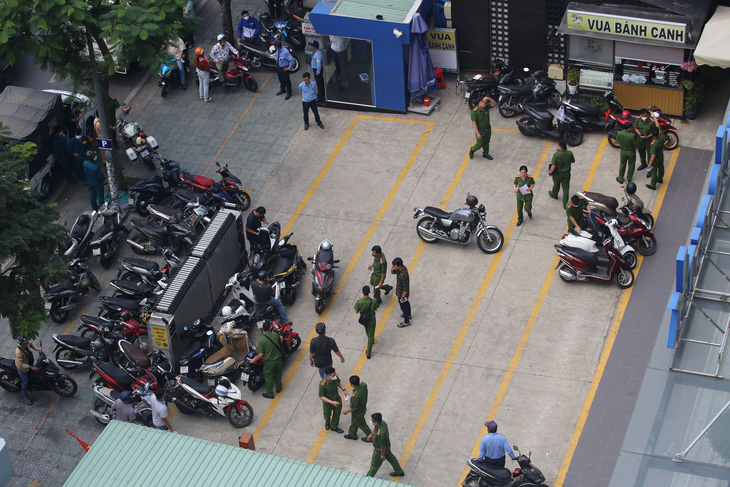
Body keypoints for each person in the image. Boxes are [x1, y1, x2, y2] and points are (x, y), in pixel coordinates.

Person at [250, 320, 284, 399]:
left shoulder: (262, 341)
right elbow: (280, 341)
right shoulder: (275, 335)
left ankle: (270, 394)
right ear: (270, 327)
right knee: (278, 374)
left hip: (269, 362)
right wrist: (281, 338)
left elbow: (261, 354)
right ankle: (279, 388)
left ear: (263, 329)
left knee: (269, 378)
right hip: (278, 360)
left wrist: (253, 360)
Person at [366, 413, 405, 477]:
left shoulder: (381, 435)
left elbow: (383, 447)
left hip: (379, 451)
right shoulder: (382, 423)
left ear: (376, 422)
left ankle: (368, 477)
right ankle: (399, 471)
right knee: (392, 459)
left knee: (374, 465)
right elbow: (376, 429)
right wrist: (371, 434)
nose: (371, 420)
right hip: (387, 446)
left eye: (372, 420)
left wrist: (382, 456)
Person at [547, 140, 575, 208]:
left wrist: (550, 172)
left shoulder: (556, 155)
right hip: (567, 174)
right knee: (566, 188)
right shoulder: (570, 153)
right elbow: (573, 161)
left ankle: (554, 194)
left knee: (556, 185)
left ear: (560, 147)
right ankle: (565, 203)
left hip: (558, 174)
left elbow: (553, 166)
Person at [343, 375, 372, 441]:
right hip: (362, 408)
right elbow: (362, 383)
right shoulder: (363, 385)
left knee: (363, 425)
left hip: (358, 413)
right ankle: (352, 434)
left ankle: (371, 437)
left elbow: (354, 408)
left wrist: (346, 411)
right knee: (354, 422)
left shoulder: (356, 396)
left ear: (352, 385)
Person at [14, 336, 41, 405]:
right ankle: (25, 397)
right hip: (23, 368)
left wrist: (37, 350)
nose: (26, 345)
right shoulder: (18, 352)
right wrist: (30, 367)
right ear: (20, 344)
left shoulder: (26, 343)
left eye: (26, 343)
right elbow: (20, 364)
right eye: (24, 344)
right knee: (25, 383)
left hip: (28, 362)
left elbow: (31, 344)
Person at [319, 366, 346, 433]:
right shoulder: (323, 384)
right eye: (333, 375)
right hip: (328, 403)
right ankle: (327, 422)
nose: (335, 375)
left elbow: (339, 382)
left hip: (337, 399)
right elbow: (321, 396)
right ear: (328, 376)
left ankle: (334, 427)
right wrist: (331, 402)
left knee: (337, 414)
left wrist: (344, 389)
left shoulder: (335, 378)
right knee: (327, 414)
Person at [469, 96, 497, 160]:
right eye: (484, 103)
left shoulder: (486, 107)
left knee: (487, 142)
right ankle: (472, 149)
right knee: (480, 143)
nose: (485, 105)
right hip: (480, 130)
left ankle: (485, 153)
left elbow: (494, 104)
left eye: (486, 103)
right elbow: (474, 123)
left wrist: (488, 98)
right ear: (480, 102)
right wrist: (477, 133)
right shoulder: (475, 111)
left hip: (487, 129)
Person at [354, 286, 379, 359]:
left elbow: (356, 311)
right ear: (369, 292)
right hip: (371, 320)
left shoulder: (359, 302)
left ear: (362, 292)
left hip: (364, 320)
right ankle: (368, 353)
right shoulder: (373, 301)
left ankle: (370, 341)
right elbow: (376, 309)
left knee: (368, 332)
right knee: (371, 336)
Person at [391, 257, 411, 328]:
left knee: (404, 307)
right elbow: (393, 273)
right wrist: (392, 270)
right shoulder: (399, 269)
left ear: (399, 266)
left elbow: (405, 288)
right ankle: (408, 315)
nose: (393, 267)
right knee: (406, 304)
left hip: (402, 294)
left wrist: (402, 297)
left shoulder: (403, 275)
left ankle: (406, 321)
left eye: (394, 266)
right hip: (400, 292)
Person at [646, 123, 666, 190]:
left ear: (653, 135)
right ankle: (660, 179)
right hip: (661, 156)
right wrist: (654, 117)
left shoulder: (654, 144)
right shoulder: (661, 137)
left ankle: (653, 185)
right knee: (661, 167)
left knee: (653, 172)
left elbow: (653, 155)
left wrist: (650, 164)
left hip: (655, 159)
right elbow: (658, 125)